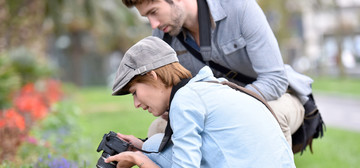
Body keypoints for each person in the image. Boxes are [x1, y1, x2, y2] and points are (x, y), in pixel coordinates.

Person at [107, 36, 319, 168]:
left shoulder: (185, 101)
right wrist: (140, 147)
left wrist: (139, 159)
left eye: (134, 92)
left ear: (153, 75)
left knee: (155, 146)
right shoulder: (212, 86)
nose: (135, 103)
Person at [121, 0, 319, 149]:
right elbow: (171, 90)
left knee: (263, 118)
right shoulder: (162, 37)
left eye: (154, 12)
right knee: (157, 131)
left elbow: (274, 80)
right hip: (213, 109)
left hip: (276, 97)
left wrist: (218, 108)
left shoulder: (239, 8)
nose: (153, 24)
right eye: (147, 17)